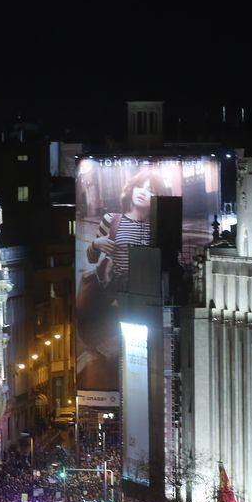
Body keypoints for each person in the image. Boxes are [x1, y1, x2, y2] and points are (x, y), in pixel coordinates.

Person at [75, 166, 169, 389]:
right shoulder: (112, 220)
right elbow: (91, 257)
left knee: (143, 351)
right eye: (140, 186)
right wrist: (96, 244)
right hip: (113, 296)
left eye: (150, 190)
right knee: (117, 346)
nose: (143, 191)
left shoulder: (157, 227)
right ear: (131, 188)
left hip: (145, 296)